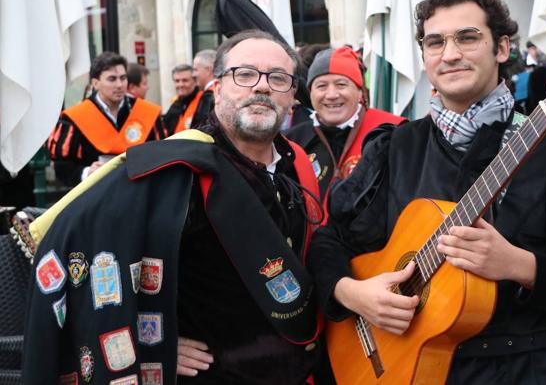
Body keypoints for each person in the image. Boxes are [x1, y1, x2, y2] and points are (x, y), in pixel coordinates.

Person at [307, 0, 546, 384]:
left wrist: (522, 266)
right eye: (434, 42)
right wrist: (351, 294)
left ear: (501, 48)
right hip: (404, 366)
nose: (450, 55)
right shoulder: (394, 148)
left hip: (529, 370)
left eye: (467, 37)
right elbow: (328, 240)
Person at [23, 30, 330, 384]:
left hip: (297, 371)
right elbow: (76, 251)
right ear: (216, 88)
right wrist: (151, 338)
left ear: (293, 96)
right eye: (244, 74)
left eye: (278, 78)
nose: (261, 86)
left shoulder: (300, 165)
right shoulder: (174, 170)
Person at [286, 46, 405, 202]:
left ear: (360, 92)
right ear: (311, 93)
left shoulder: (394, 131)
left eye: (341, 84)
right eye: (321, 86)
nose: (332, 95)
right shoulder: (291, 142)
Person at [47, 52, 166, 186]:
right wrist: (87, 172)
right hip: (96, 195)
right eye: (112, 79)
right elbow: (62, 168)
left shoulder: (147, 113)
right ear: (96, 83)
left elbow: (162, 156)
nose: (120, 85)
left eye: (123, 78)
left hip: (140, 192)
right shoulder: (74, 118)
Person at [164, 63, 203, 133]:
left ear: (195, 82)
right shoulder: (174, 106)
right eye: (177, 81)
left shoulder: (204, 102)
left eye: (185, 80)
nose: (180, 85)